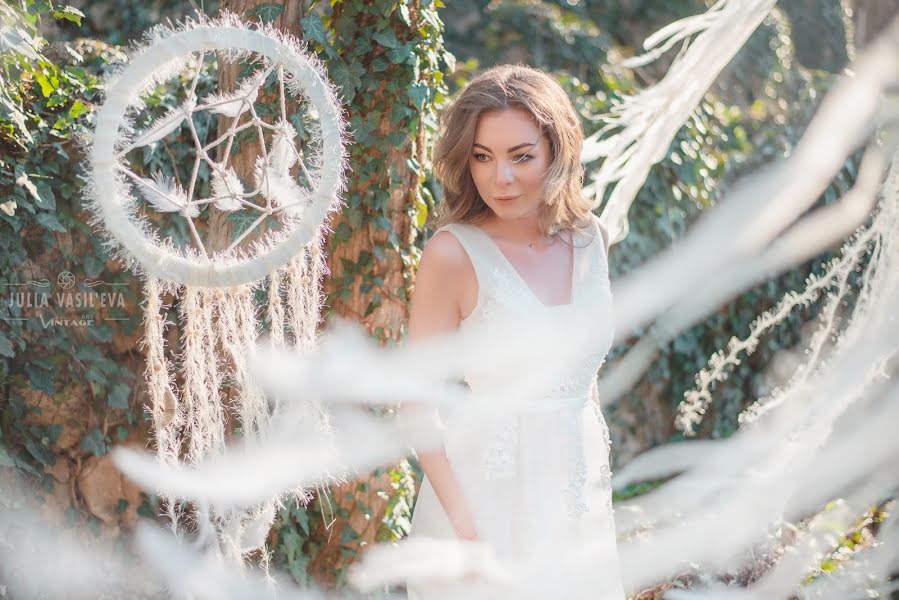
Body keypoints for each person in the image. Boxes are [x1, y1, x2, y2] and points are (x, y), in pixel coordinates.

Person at [403, 64, 626, 599]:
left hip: (577, 502)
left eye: (520, 156)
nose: (498, 178)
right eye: (482, 157)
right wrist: (468, 534)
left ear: (557, 152)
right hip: (484, 506)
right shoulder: (453, 253)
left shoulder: (591, 239)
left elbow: (580, 378)